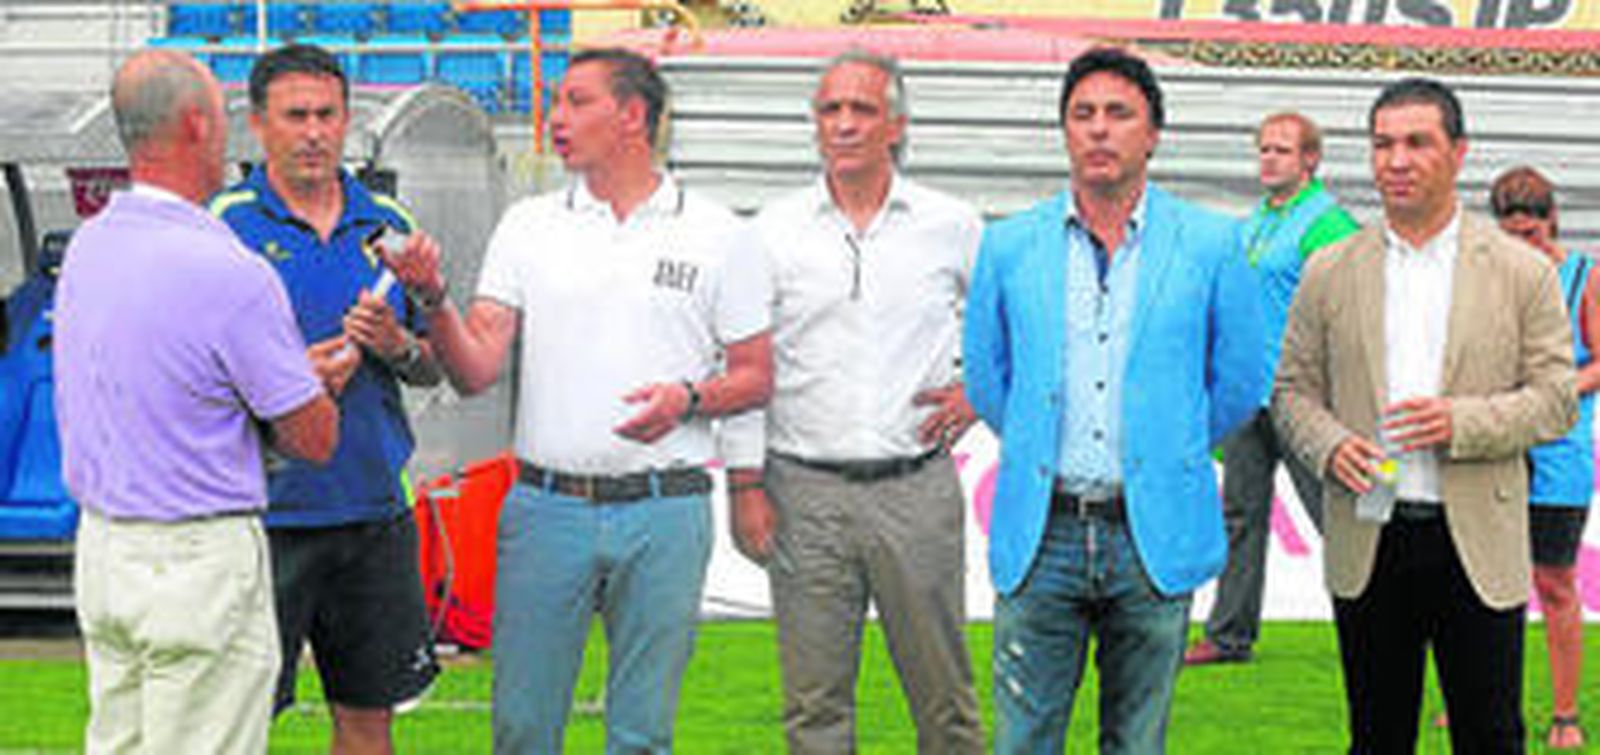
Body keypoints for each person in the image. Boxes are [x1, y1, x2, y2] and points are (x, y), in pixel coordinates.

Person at [382, 47, 773, 753]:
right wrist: (433, 298)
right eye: (557, 101)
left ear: (632, 116)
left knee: (642, 732)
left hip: (667, 506)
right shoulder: (529, 225)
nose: (555, 117)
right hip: (545, 508)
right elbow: (474, 369)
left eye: (575, 101)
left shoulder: (720, 233)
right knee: (523, 728)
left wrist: (686, 398)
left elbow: (755, 374)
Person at [963, 47, 1264, 753]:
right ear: (1065, 131)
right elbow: (988, 379)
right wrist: (1042, 442)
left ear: (1153, 133)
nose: (1100, 129)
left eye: (1119, 114)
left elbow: (1240, 382)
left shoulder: (1215, 243)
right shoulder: (1007, 245)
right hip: (1044, 534)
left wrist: (1171, 444)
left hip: (1151, 534)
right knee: (1022, 740)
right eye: (1083, 114)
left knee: (1136, 740)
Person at [1273, 77, 1576, 754]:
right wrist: (1328, 445)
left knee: (1491, 734)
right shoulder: (1329, 268)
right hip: (1369, 536)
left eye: (1417, 142)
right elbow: (1292, 390)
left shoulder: (1522, 271)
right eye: (1383, 144)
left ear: (1459, 152)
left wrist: (1459, 423)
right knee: (1377, 736)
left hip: (1477, 538)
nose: (1397, 160)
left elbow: (1557, 397)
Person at [55, 49, 339, 754]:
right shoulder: (228, 268)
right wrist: (314, 384)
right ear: (196, 126)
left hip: (105, 547)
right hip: (196, 553)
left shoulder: (90, 247)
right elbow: (313, 438)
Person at [721, 50, 985, 754]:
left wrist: (979, 390)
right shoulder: (768, 230)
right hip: (802, 489)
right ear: (813, 124)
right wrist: (744, 483)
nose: (843, 124)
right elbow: (745, 365)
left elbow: (1010, 324)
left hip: (916, 487)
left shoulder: (952, 224)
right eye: (829, 110)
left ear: (895, 125)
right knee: (814, 708)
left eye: (862, 109)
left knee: (947, 702)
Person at [210, 43, 443, 754]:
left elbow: (435, 367)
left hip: (373, 510)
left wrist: (396, 343)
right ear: (259, 125)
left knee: (369, 723)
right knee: (240, 724)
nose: (313, 131)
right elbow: (193, 379)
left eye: (327, 115)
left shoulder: (390, 222)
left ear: (347, 121)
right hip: (262, 515)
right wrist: (287, 381)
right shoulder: (224, 224)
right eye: (295, 115)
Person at [1186, 111, 1360, 666]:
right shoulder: (1254, 222)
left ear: (1311, 160)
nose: (1269, 158)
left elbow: (1351, 313)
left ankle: (1380, 622)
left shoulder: (1329, 224)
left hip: (1301, 396)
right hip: (1246, 396)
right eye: (1263, 149)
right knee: (1240, 517)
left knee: (1340, 519)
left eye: (1282, 150)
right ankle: (1230, 634)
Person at [1489, 166, 1598, 751]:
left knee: (1554, 582)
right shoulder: (1487, 281)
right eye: (1511, 236)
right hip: (1496, 451)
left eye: (1531, 235)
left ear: (1550, 221)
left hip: (1560, 452)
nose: (1523, 246)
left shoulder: (1584, 276)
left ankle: (1564, 713)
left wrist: (1551, 393)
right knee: (1484, 584)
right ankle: (1480, 703)